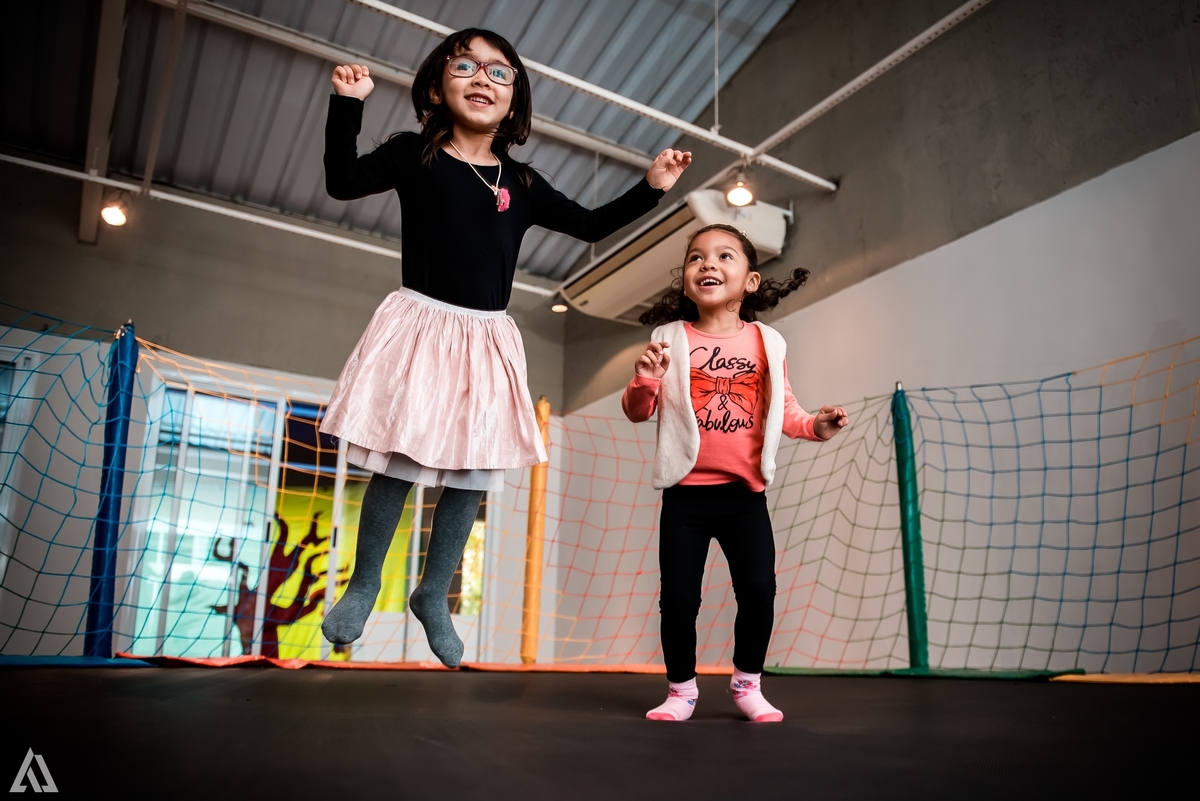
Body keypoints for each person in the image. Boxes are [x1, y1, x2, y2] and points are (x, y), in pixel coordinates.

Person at [320, 28, 691, 668]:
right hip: (424, 323)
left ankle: (434, 592)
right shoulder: (416, 154)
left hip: (487, 333)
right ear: (438, 87)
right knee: (401, 456)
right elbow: (342, 181)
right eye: (465, 66)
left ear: (514, 97)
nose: (482, 78)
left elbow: (592, 223)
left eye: (499, 71)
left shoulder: (521, 180)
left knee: (474, 466)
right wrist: (347, 105)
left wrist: (651, 187)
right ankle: (364, 581)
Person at [622, 223, 849, 721]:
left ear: (749, 281)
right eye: (696, 258)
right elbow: (638, 411)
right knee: (679, 599)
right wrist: (646, 378)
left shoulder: (769, 341)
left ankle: (747, 685)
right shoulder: (668, 338)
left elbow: (784, 409)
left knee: (759, 590)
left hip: (745, 496)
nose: (708, 264)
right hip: (686, 496)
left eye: (725, 256)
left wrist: (815, 425)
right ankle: (681, 692)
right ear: (686, 280)